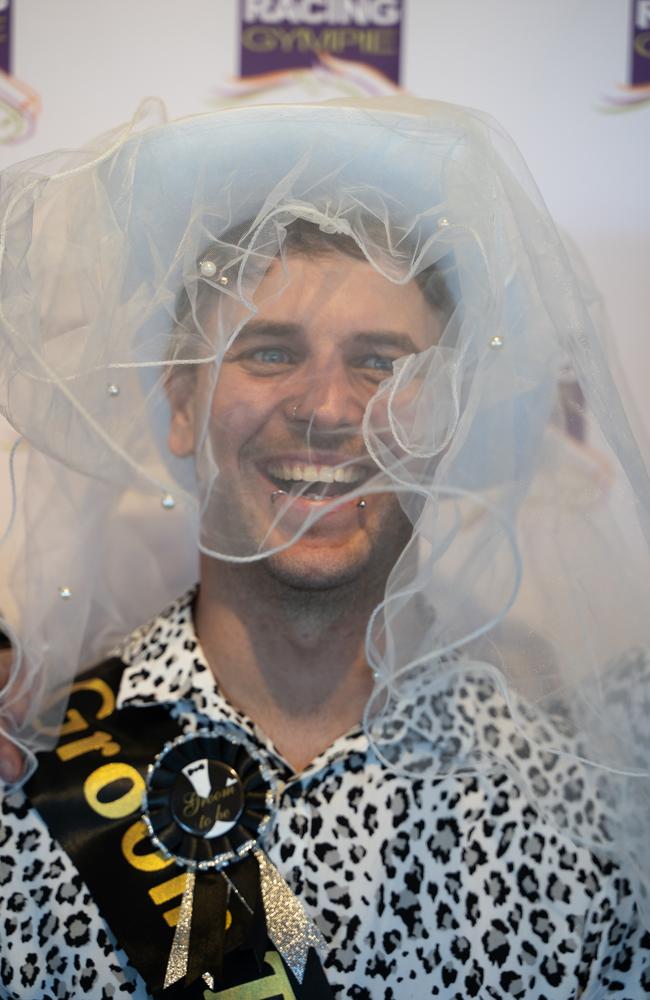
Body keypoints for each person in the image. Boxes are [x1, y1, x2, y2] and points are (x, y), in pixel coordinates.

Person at [0, 97, 649, 999]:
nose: (331, 409)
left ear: (446, 419)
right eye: (268, 352)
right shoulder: (28, 783)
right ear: (182, 405)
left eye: (383, 362)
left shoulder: (583, 818)